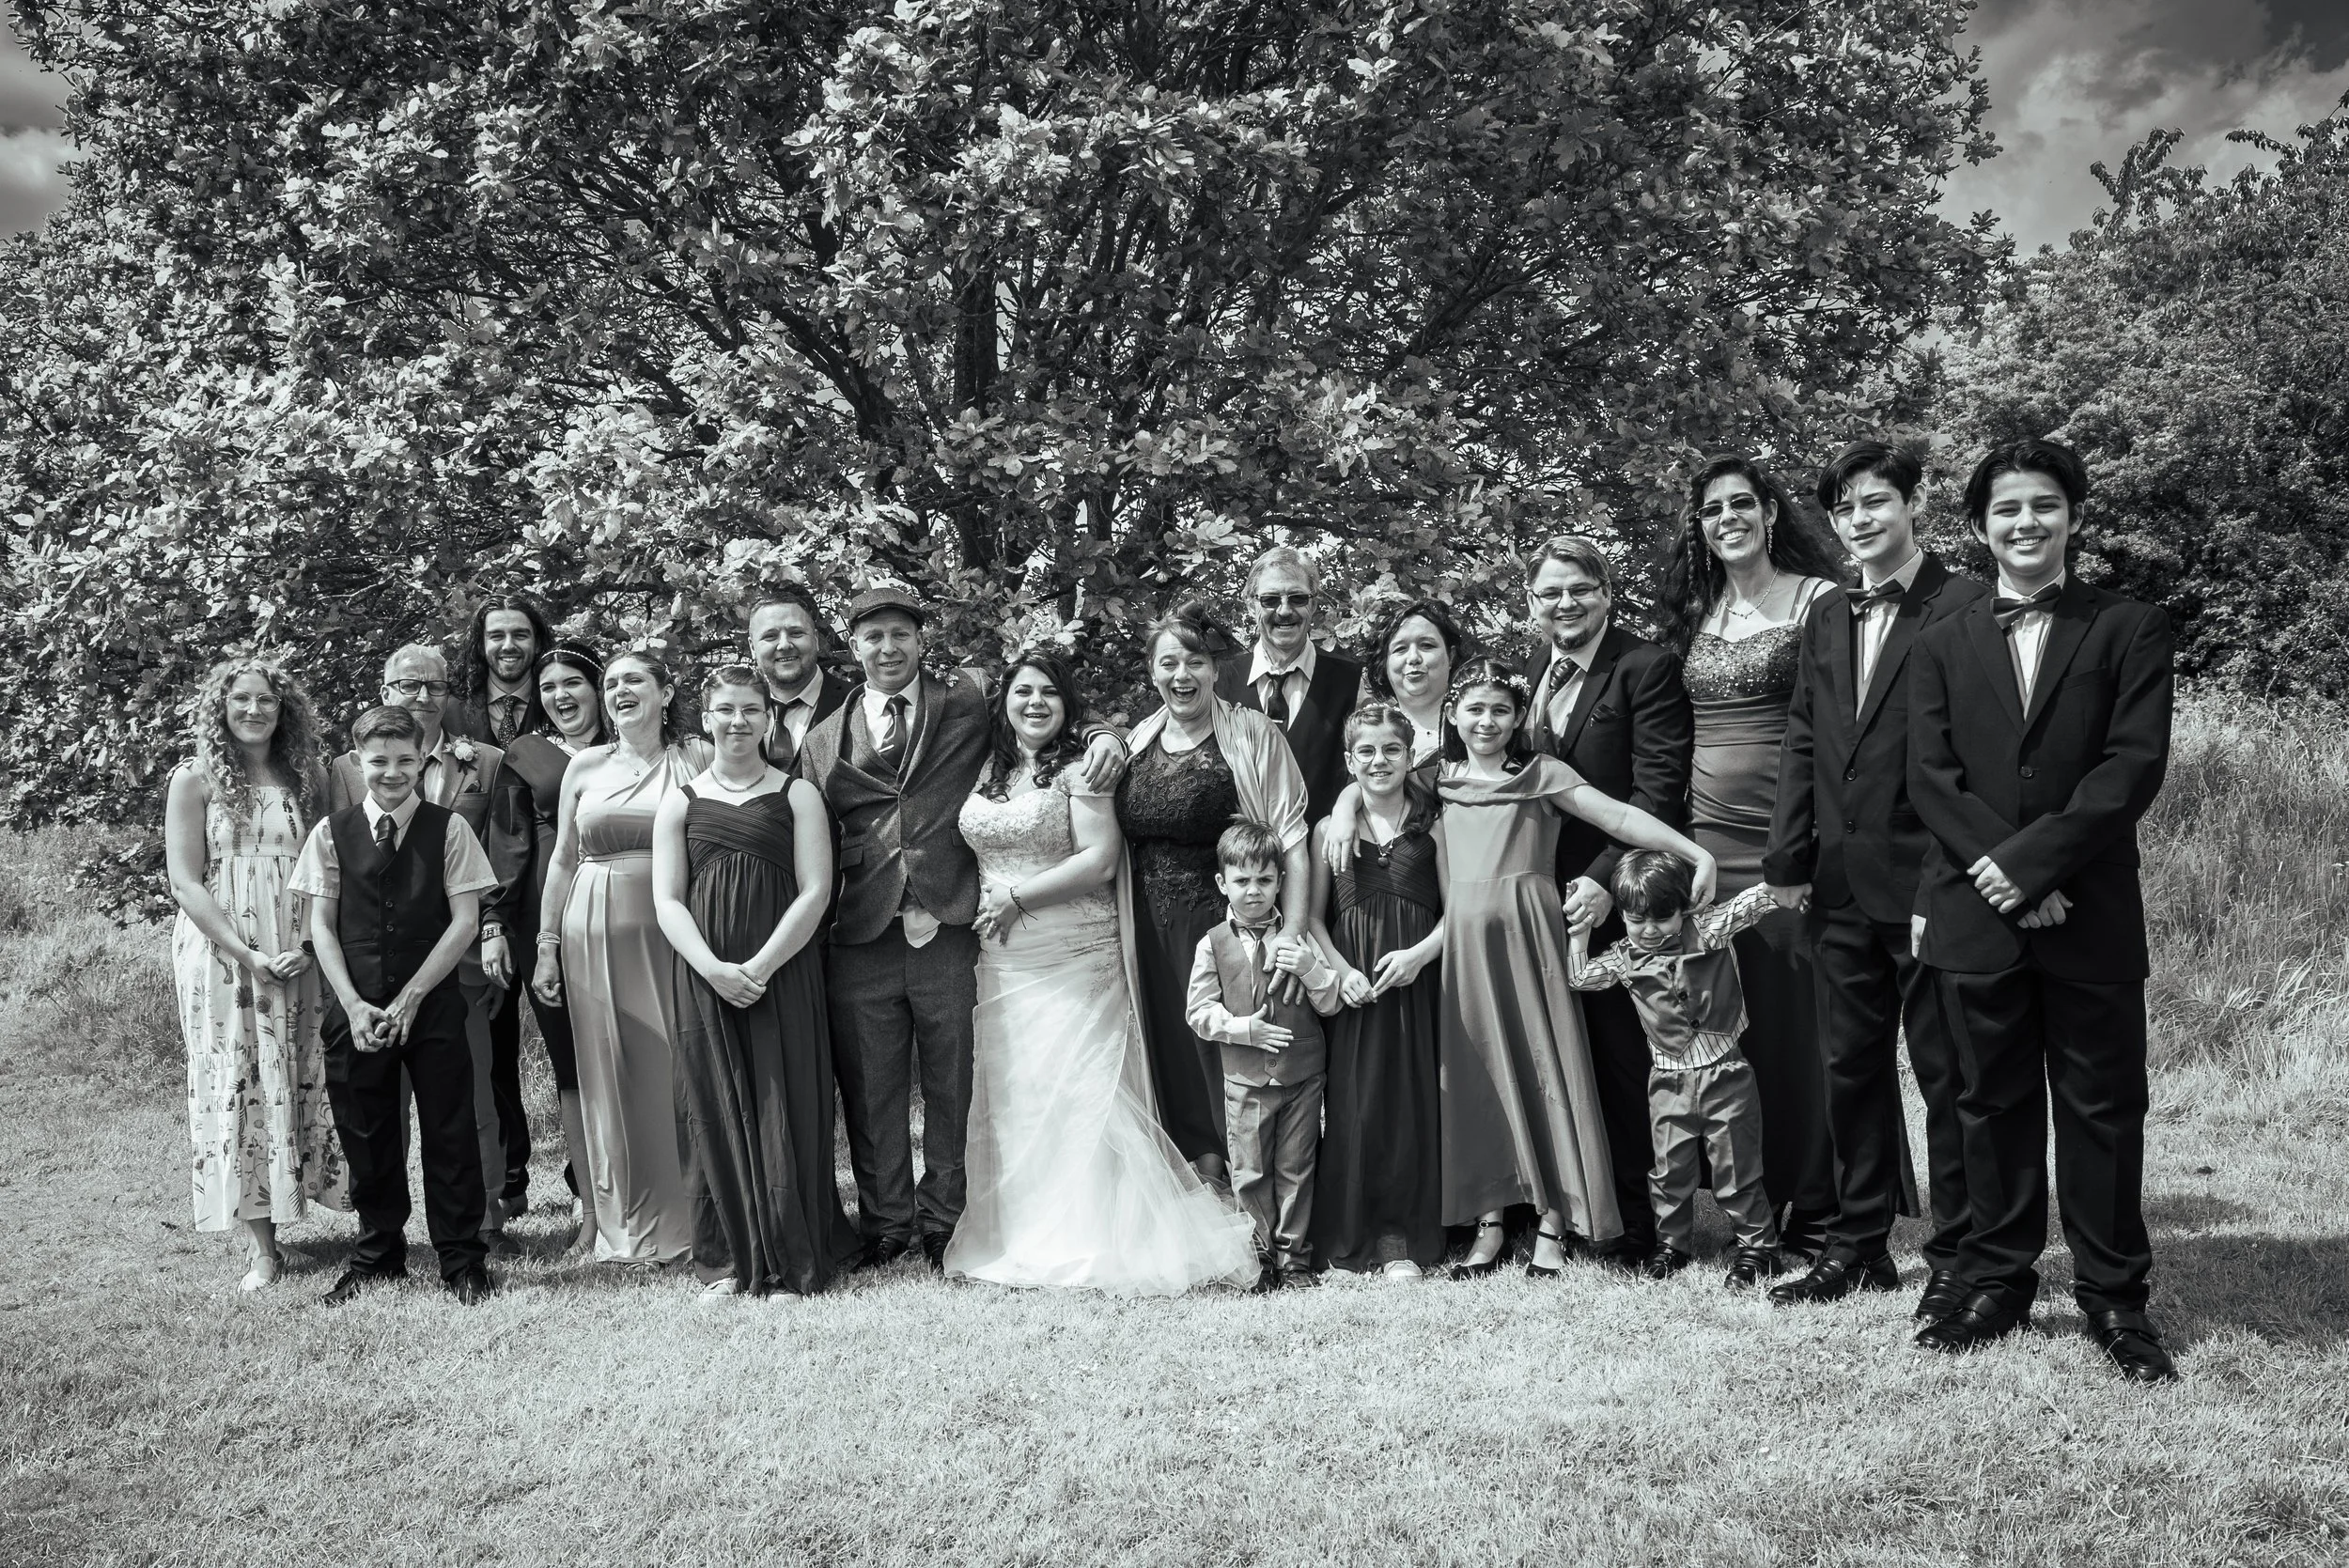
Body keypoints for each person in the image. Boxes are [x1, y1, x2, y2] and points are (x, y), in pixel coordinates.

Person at [1907, 439, 2177, 1382]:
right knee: (1989, 1104)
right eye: (2007, 508)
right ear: (1980, 527)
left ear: (2073, 515)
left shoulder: (2129, 627)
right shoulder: (1940, 639)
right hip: (1976, 915)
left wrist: (2031, 866)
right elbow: (1929, 775)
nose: (2026, 522)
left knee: (2103, 1108)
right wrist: (2008, 876)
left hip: (2088, 907)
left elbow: (2131, 766)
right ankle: (1996, 1280)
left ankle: (2114, 1298)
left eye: (2043, 504)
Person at [797, 585, 1128, 1271]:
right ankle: (887, 1221)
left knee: (955, 1082)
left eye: (900, 634)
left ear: (921, 641)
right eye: (873, 636)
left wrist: (1105, 734)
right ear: (853, 646)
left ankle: (944, 1218)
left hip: (953, 923)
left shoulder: (968, 699)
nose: (888, 647)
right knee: (873, 1087)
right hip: (860, 930)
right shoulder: (824, 737)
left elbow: (1044, 707)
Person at [945, 649, 1259, 1296]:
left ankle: (1089, 1237)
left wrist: (1018, 898)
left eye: (1049, 692)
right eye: (1023, 691)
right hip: (1004, 958)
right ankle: (1027, 1233)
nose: (1036, 703)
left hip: (1073, 950)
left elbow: (1101, 859)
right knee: (1022, 1091)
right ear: (1003, 703)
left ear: (1068, 705)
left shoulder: (1081, 768)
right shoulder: (988, 768)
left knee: (1081, 1092)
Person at [1765, 442, 1986, 1319]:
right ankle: (1857, 1247)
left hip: (1931, 884)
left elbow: (1973, 760)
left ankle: (1958, 1255)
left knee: (1947, 1077)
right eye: (1845, 508)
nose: (1859, 519)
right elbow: (1804, 736)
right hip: (1838, 887)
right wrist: (1788, 859)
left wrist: (1949, 880)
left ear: (1912, 504)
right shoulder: (1827, 613)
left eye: (1875, 502)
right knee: (1848, 1070)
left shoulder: (1965, 605)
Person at [1437, 658, 1717, 1279]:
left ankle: (1553, 1221)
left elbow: (1619, 816)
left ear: (1519, 717)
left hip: (1531, 940)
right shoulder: (1438, 781)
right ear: (1453, 714)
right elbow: (1366, 789)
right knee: (1481, 1073)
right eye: (1475, 709)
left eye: (1501, 710)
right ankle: (1488, 1221)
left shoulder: (1542, 774)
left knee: (1546, 1069)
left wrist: (1693, 853)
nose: (1487, 721)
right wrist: (1344, 809)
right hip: (1466, 953)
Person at [1660, 458, 1852, 1259]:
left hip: (1789, 844)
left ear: (1772, 513)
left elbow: (1839, 728)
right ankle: (1750, 1203)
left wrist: (1805, 845)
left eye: (1743, 503)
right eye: (1713, 510)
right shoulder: (1696, 612)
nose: (1728, 518)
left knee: (1800, 1032)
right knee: (1731, 1036)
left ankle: (1820, 1201)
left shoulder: (1820, 600)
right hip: (1706, 851)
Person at [652, 666, 859, 1297]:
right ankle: (727, 1257)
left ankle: (792, 1256)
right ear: (705, 719)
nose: (737, 720)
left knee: (783, 1102)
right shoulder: (680, 801)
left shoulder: (798, 795)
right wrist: (714, 970)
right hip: (705, 978)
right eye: (725, 710)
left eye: (750, 709)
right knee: (713, 1107)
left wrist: (762, 966)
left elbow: (816, 890)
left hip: (784, 973)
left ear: (769, 718)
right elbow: (667, 900)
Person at [1517, 534, 1693, 1268]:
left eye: (1579, 589)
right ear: (1532, 602)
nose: (1566, 603)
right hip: (1542, 898)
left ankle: (1649, 1227)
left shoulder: (1646, 667)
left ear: (1606, 593)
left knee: (1628, 1064)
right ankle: (1587, 1209)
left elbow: (1659, 790)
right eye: (1551, 592)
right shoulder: (1535, 668)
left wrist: (1602, 876)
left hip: (1620, 898)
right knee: (1573, 1058)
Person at [294, 705, 501, 1306]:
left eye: (405, 760)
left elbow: (465, 921)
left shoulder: (450, 829)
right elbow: (321, 927)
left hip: (433, 1005)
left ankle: (461, 1259)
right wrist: (353, 1005)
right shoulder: (330, 833)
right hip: (355, 1007)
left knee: (450, 1132)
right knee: (367, 1133)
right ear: (357, 762)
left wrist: (413, 995)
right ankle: (377, 1255)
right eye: (378, 761)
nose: (392, 772)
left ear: (420, 760)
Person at [164, 657, 348, 1291]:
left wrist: (308, 943)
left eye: (266, 699)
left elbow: (329, 867)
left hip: (298, 944)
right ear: (220, 708)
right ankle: (263, 1248)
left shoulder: (310, 775)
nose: (253, 710)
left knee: (300, 1069)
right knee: (239, 1079)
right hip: (223, 952)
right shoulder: (194, 779)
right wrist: (246, 954)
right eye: (240, 699)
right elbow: (185, 882)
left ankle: (318, 1200)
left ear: (283, 707)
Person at [328, 644, 514, 1254]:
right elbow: (340, 866)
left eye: (434, 685)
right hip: (371, 964)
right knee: (381, 1102)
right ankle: (385, 1231)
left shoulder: (484, 761)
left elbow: (503, 851)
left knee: (467, 1101)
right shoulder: (345, 770)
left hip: (459, 956)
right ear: (385, 691)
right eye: (409, 685)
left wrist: (493, 926)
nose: (423, 696)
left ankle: (481, 1222)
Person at [1119, 599, 1313, 1178]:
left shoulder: (1252, 733)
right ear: (1151, 672)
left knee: (1223, 1051)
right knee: (1170, 1047)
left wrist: (1291, 936)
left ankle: (1245, 1179)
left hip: (1225, 928)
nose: (1182, 675)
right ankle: (1191, 1173)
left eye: (1195, 662)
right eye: (1169, 663)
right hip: (1147, 926)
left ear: (1215, 669)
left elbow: (1292, 841)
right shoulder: (1139, 739)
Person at [531, 649, 711, 1265]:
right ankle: (621, 1222)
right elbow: (563, 859)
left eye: (634, 679)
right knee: (610, 1075)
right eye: (610, 683)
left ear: (666, 692)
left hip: (675, 927)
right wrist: (547, 945)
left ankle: (696, 1215)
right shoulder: (584, 765)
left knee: (680, 1067)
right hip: (593, 930)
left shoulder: (697, 757)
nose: (619, 690)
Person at [1569, 855, 1783, 1286]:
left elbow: (1754, 902)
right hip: (1668, 1084)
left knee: (1737, 1169)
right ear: (1623, 916)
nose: (1650, 930)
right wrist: (1580, 935)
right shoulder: (1622, 957)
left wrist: (1786, 881)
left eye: (1662, 918)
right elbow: (1580, 979)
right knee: (1670, 1172)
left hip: (1726, 1075)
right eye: (1637, 920)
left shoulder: (1707, 928)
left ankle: (1759, 1248)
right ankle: (1672, 1245)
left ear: (1684, 909)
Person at [1305, 702, 1447, 1277]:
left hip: (1417, 982)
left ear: (1410, 757)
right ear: (1348, 760)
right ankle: (1354, 1230)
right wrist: (1341, 972)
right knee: (1355, 1106)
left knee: (1412, 1104)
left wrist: (1419, 956)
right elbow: (1313, 919)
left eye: (1391, 749)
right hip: (1357, 989)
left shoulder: (1434, 825)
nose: (1379, 760)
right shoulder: (1327, 831)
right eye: (1365, 750)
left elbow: (1458, 910)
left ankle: (1401, 1239)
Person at [1187, 820, 1346, 1290]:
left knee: (1296, 1167)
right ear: (1223, 883)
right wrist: (1244, 1030)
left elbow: (1330, 1003)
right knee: (1250, 1170)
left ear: (1281, 882)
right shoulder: (1212, 943)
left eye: (1265, 880)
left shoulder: (1300, 939)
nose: (1254, 891)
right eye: (1242, 881)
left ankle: (1294, 1259)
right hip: (1245, 1082)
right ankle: (1258, 1257)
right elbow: (1198, 1012)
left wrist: (1312, 970)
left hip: (1302, 1077)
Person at [485, 642, 605, 1234]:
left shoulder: (640, 747)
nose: (561, 695)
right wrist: (496, 923)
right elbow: (508, 845)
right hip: (549, 916)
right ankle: (588, 1193)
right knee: (571, 1057)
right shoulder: (527, 754)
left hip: (631, 909)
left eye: (573, 682)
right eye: (549, 686)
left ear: (599, 687)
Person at [446, 591, 558, 1219]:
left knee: (569, 1036)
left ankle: (584, 1175)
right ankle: (509, 1181)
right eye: (497, 635)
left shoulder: (561, 699)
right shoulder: (454, 712)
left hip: (543, 895)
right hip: (475, 907)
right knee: (490, 1049)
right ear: (481, 643)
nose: (509, 646)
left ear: (537, 641)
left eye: (520, 634)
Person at [1213, 545, 1363, 819]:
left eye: (1297, 598)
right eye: (1270, 600)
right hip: (1233, 846)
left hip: (1322, 844)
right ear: (1251, 605)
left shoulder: (1353, 681)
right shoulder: (1218, 680)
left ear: (1313, 605)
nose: (1284, 611)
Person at [747, 587, 852, 770]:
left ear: (816, 640)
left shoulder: (857, 703)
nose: (784, 645)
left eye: (796, 633)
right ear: (752, 647)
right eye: (770, 636)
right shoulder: (733, 712)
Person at [1360, 598, 1465, 764]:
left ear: (1450, 657)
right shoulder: (1367, 733)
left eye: (1427, 645)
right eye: (1400, 649)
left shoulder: (1478, 726)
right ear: (1384, 663)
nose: (1413, 658)